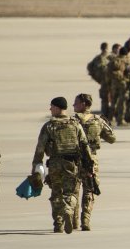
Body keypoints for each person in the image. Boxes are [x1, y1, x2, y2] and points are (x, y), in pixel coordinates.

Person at [31, 97, 92, 234]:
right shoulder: (75, 124)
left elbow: (40, 148)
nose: (50, 109)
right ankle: (69, 209)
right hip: (71, 164)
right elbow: (84, 145)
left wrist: (36, 166)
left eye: (52, 106)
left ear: (58, 108)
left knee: (56, 193)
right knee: (71, 192)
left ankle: (58, 224)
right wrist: (88, 165)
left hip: (55, 164)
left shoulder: (49, 126)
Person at [72, 93, 116, 231]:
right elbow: (112, 138)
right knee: (89, 189)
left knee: (73, 190)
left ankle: (74, 221)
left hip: (74, 159)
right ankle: (85, 220)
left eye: (76, 103)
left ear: (83, 104)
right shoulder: (98, 120)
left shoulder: (72, 121)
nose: (73, 105)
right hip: (91, 159)